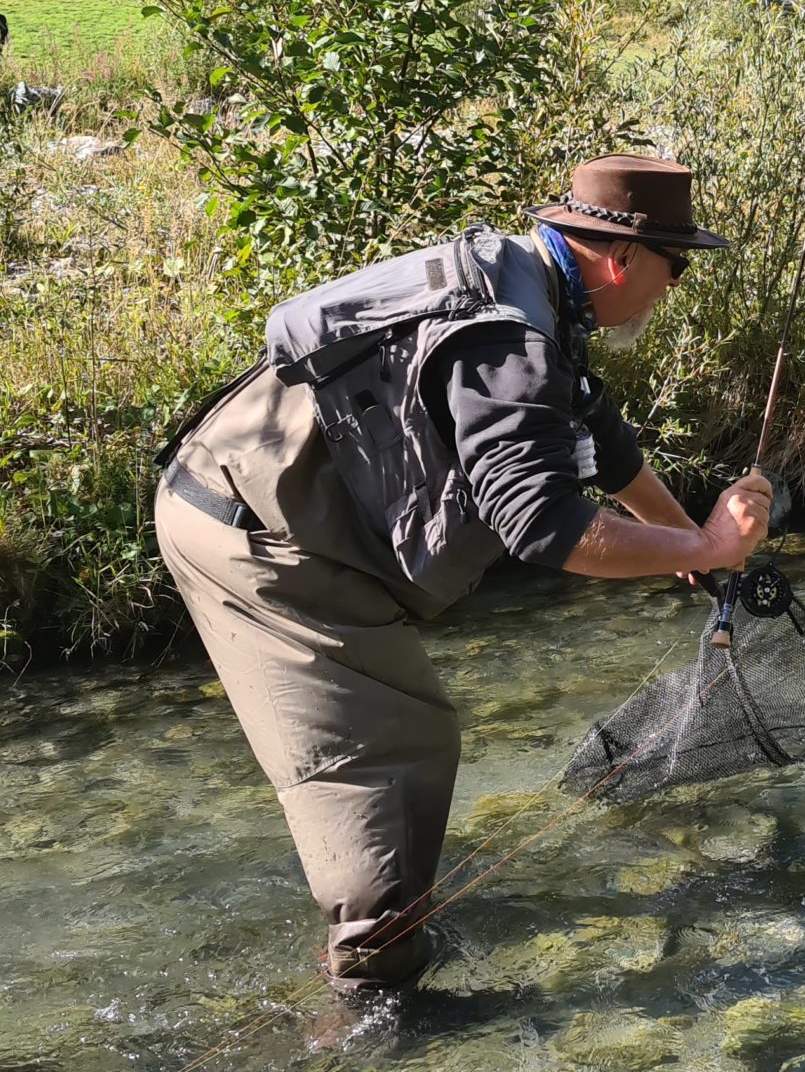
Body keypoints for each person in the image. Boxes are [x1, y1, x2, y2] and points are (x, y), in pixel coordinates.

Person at [153, 155, 773, 993]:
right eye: (677, 268)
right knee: (387, 753)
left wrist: (688, 541)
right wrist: (706, 551)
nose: (673, 290)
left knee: (412, 738)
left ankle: (378, 958)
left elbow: (602, 439)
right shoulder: (512, 340)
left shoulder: (524, 280)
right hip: (253, 536)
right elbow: (542, 526)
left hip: (266, 507)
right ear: (623, 259)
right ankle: (368, 1006)